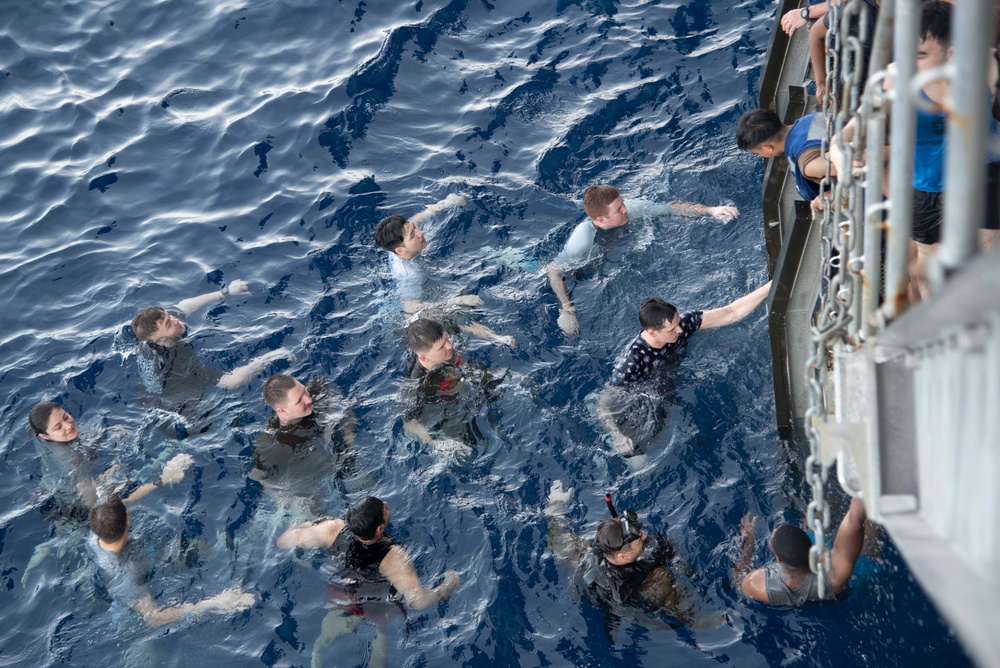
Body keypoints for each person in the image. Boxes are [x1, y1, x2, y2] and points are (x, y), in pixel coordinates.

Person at [277, 496, 461, 668]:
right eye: (384, 509)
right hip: (375, 607)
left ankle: (316, 652)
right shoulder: (394, 557)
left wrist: (310, 523)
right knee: (379, 632)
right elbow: (418, 601)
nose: (387, 505)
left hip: (340, 593)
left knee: (326, 633)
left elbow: (284, 541)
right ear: (380, 528)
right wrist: (449, 584)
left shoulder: (332, 528)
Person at [597, 282, 771, 455]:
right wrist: (616, 435)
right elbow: (604, 403)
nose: (680, 330)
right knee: (639, 453)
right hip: (646, 391)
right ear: (652, 332)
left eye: (678, 323)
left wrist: (773, 284)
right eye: (672, 329)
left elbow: (731, 312)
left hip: (672, 375)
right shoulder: (633, 362)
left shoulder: (683, 325)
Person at [547, 185, 740, 337]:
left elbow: (672, 208)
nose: (625, 210)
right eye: (618, 209)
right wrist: (567, 308)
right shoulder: (581, 240)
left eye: (623, 203)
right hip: (580, 273)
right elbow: (553, 270)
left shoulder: (630, 210)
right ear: (601, 219)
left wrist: (711, 210)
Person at [87, 462, 255, 627]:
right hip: (128, 613)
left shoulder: (96, 529)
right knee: (205, 550)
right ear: (128, 520)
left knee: (192, 548)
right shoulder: (129, 574)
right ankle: (246, 538)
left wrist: (166, 477)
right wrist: (217, 602)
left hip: (140, 556)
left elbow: (121, 505)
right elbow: (154, 618)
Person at [544, 482, 696, 623]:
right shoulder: (627, 584)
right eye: (639, 539)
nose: (645, 535)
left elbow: (559, 540)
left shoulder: (592, 549)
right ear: (622, 556)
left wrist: (557, 506)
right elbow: (691, 617)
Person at [374, 194, 514, 346]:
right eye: (413, 235)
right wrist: (457, 301)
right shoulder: (409, 275)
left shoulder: (401, 238)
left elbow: (418, 218)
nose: (420, 233)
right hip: (404, 312)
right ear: (401, 251)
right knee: (456, 313)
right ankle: (497, 339)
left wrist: (446, 203)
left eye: (415, 228)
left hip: (423, 285)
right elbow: (411, 308)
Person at [131, 279, 293, 406]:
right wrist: (272, 356)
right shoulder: (178, 364)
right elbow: (231, 382)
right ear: (160, 341)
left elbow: (185, 305)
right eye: (168, 324)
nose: (174, 320)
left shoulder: (171, 323)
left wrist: (226, 292)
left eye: (168, 316)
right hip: (173, 399)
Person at [249, 374, 359, 509]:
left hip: (338, 456)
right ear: (283, 411)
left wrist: (349, 435)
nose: (308, 399)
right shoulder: (270, 446)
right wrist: (286, 501)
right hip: (307, 478)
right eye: (299, 400)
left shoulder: (316, 390)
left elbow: (345, 408)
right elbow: (259, 477)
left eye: (304, 390)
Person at [400, 318, 502, 458]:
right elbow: (410, 424)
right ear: (424, 358)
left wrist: (498, 338)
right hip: (451, 412)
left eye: (447, 338)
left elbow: (465, 326)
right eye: (441, 347)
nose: (450, 346)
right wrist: (437, 443)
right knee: (482, 449)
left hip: (470, 384)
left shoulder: (439, 337)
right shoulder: (419, 386)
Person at [739, 497, 867, 605]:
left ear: (778, 560)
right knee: (867, 527)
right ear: (814, 551)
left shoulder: (755, 585)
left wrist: (747, 540)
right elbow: (855, 521)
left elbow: (739, 577)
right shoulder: (835, 576)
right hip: (850, 579)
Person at [737, 109, 836, 205]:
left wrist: (836, 196)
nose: (761, 156)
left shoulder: (809, 165)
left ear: (768, 147)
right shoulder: (809, 118)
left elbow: (848, 161)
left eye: (758, 153)